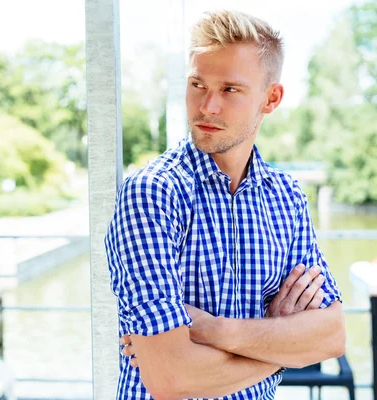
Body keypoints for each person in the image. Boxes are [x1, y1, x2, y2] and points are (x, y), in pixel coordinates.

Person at [104, 9, 345, 400]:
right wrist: (283, 344)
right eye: (197, 84)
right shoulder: (152, 195)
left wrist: (217, 330)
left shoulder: (287, 197)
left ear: (271, 98)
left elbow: (331, 335)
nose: (207, 106)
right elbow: (171, 379)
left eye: (230, 90)